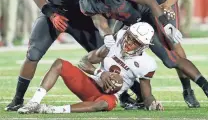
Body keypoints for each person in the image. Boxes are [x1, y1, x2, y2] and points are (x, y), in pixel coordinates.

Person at [76, 0, 208, 109]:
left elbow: (150, 2)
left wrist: (166, 25)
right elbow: (98, 19)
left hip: (146, 15)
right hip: (128, 21)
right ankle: (126, 95)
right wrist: (106, 34)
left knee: (170, 59)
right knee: (111, 54)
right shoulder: (87, 2)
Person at [5, 0, 104, 111]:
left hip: (81, 12)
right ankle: (18, 99)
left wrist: (98, 11)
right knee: (33, 54)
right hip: (55, 11)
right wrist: (52, 14)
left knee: (105, 54)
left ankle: (130, 95)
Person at [18, 22, 164, 114]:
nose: (129, 43)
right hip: (91, 84)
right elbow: (84, 61)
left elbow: (147, 95)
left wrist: (153, 104)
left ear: (143, 46)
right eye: (129, 37)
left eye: (135, 42)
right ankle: (34, 102)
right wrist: (100, 73)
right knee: (59, 64)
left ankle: (49, 110)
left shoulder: (147, 64)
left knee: (103, 104)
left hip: (108, 96)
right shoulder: (117, 39)